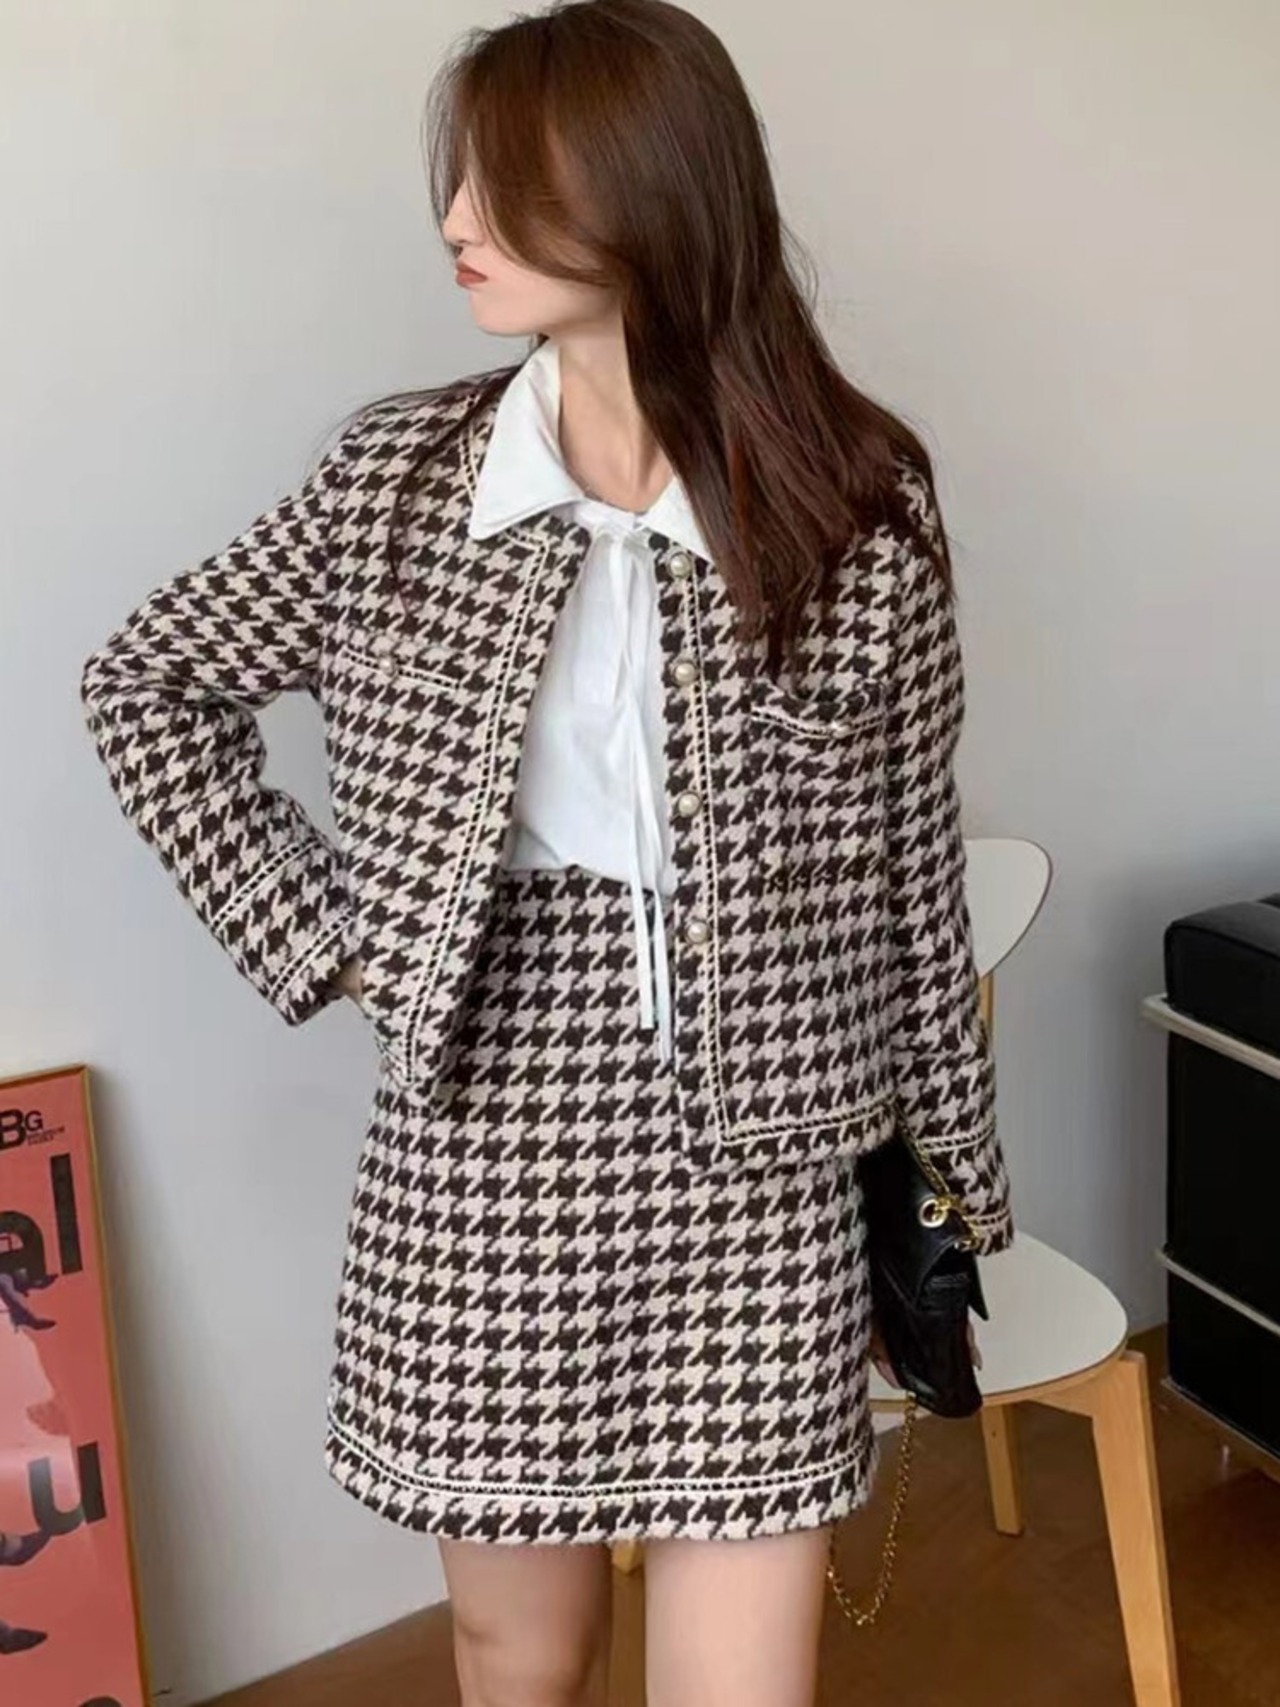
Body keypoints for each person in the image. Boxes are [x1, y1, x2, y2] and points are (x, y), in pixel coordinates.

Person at [79, 1, 1014, 1700]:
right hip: (482, 1136)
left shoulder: (853, 506)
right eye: (462, 177)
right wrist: (334, 938)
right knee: (521, 1651)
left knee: (744, 1678)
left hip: (763, 1164)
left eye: (509, 182)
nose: (458, 219)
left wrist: (957, 1178)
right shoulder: (395, 485)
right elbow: (145, 682)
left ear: (656, 189)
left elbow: (911, 877)